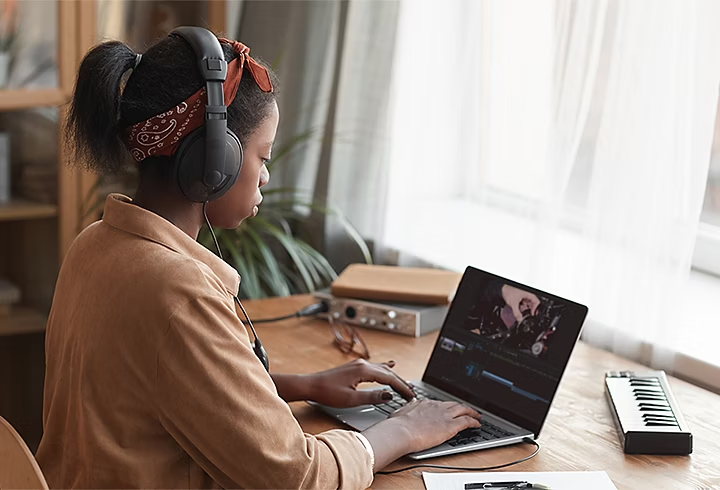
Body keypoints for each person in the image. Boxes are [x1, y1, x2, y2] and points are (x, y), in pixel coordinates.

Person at [35, 29, 481, 489]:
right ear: (214, 161)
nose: (266, 176)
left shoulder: (95, 244)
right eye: (261, 156)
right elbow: (296, 477)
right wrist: (404, 429)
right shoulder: (177, 291)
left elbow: (159, 387)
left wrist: (301, 386)